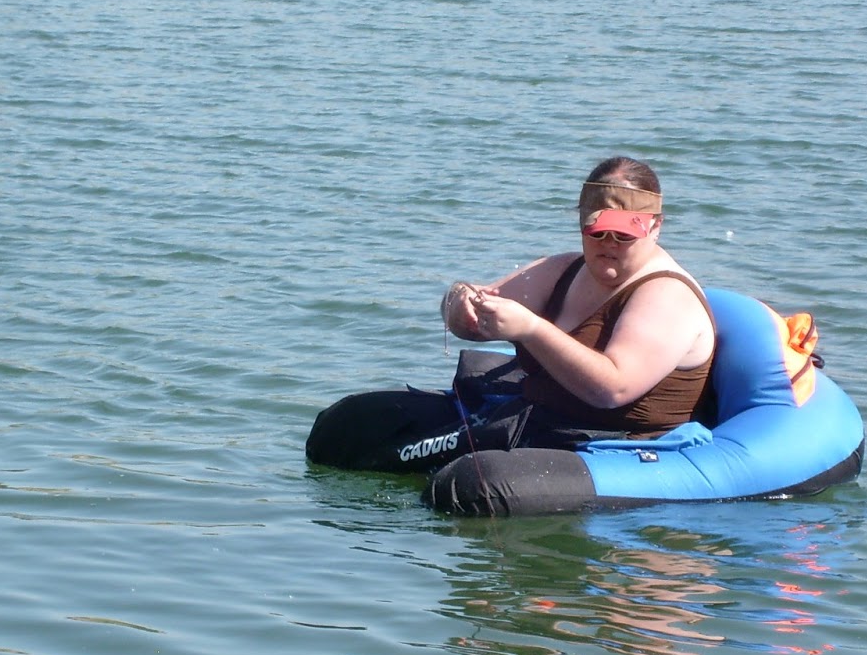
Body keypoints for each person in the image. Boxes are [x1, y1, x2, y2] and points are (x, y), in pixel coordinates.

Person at [305, 156, 716, 474]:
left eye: (625, 233)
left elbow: (612, 389)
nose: (609, 243)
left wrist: (532, 329)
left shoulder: (666, 297)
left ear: (655, 228)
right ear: (581, 222)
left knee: (468, 482)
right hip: (538, 419)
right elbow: (474, 304)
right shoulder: (563, 269)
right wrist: (459, 303)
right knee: (347, 423)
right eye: (597, 230)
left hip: (614, 442)